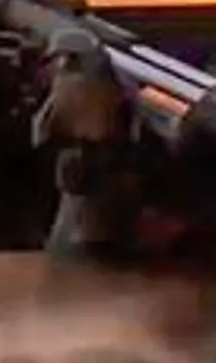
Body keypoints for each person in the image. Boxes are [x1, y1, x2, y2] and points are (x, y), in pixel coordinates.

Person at [30, 28, 140, 292]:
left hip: (85, 179)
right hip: (117, 182)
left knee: (66, 255)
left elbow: (41, 132)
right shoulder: (121, 85)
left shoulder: (73, 85)